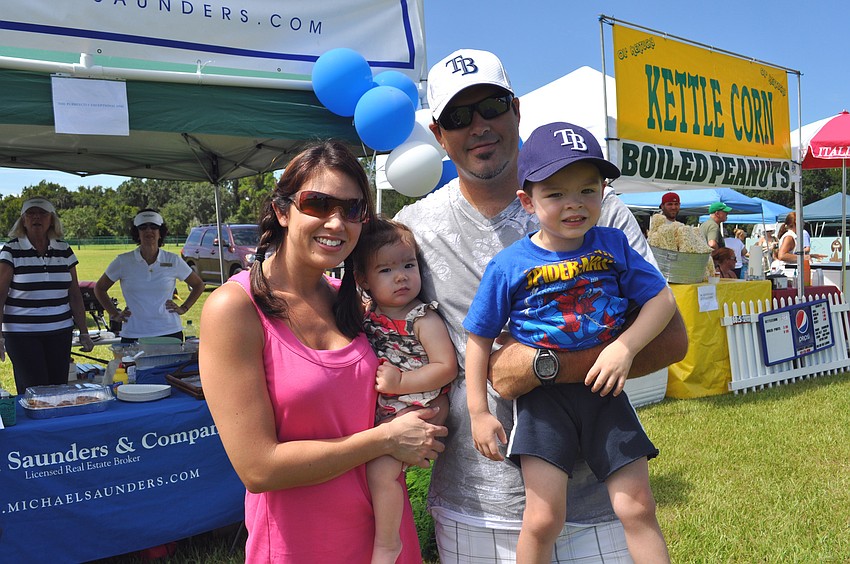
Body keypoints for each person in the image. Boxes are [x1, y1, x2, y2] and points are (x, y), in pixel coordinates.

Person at [395, 48, 688, 563]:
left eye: (491, 106)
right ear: (439, 135)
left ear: (516, 110)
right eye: (459, 117)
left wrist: (539, 366)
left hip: (598, 500)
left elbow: (671, 335)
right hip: (475, 505)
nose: (479, 126)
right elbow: (365, 324)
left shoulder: (601, 214)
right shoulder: (413, 231)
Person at [199, 141, 446, 563]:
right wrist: (384, 439)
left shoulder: (355, 302)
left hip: (386, 539)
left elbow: (411, 384)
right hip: (303, 544)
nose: (336, 222)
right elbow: (259, 468)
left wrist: (430, 415)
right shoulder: (235, 308)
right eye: (317, 204)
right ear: (282, 211)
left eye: (352, 210)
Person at [464, 121, 674, 563]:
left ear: (604, 191)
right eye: (556, 194)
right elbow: (478, 339)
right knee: (542, 519)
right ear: (527, 201)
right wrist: (479, 413)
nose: (574, 204)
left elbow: (662, 300)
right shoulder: (508, 264)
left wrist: (625, 347)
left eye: (587, 190)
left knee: (638, 507)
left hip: (605, 392)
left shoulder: (613, 243)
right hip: (543, 405)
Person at [351, 217, 457, 564]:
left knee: (382, 471)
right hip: (386, 407)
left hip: (415, 405)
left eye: (408, 265)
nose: (401, 276)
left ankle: (388, 543)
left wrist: (401, 383)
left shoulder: (422, 318)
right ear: (362, 280)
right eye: (386, 270)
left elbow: (445, 367)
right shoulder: (369, 315)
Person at [0, 197, 94, 394]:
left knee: (59, 388)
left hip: (60, 331)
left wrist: (84, 331)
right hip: (21, 333)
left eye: (43, 213)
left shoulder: (64, 249)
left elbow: (75, 294)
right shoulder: (11, 250)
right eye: (31, 214)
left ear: (51, 220)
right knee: (35, 390)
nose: (37, 218)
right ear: (23, 220)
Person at [94, 209, 205, 343]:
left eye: (154, 227)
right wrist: (114, 314)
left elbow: (198, 285)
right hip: (133, 334)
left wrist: (184, 308)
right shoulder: (123, 261)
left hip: (169, 332)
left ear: (160, 232)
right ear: (137, 233)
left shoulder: (173, 260)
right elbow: (99, 288)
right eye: (143, 227)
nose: (148, 231)